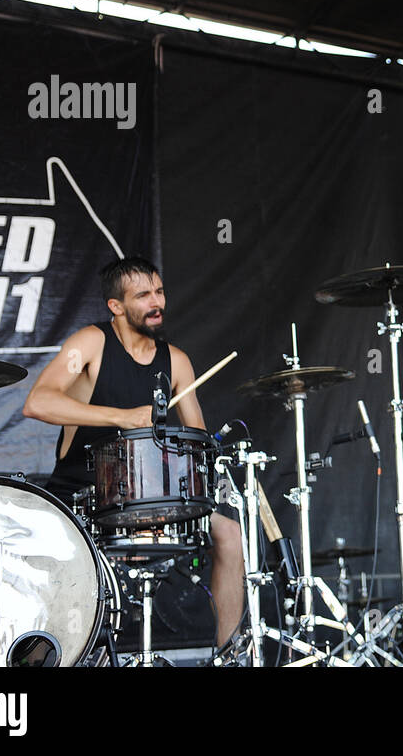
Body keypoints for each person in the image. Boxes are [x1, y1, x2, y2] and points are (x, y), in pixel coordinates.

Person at [22, 256, 244, 647]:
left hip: (148, 493)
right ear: (117, 306)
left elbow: (198, 439)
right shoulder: (90, 343)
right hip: (83, 492)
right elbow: (37, 403)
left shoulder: (176, 360)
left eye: (159, 291)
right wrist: (121, 416)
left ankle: (231, 653)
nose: (156, 302)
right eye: (143, 295)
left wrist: (203, 470)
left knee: (229, 532)